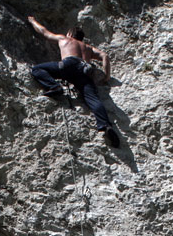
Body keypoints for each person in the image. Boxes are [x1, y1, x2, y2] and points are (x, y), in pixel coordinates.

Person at [28, 16, 120, 148]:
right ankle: (105, 125)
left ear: (70, 34)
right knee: (93, 100)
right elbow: (104, 56)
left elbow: (44, 32)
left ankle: (55, 87)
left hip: (69, 64)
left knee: (37, 69)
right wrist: (106, 76)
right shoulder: (88, 48)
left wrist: (32, 21)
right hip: (84, 71)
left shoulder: (65, 39)